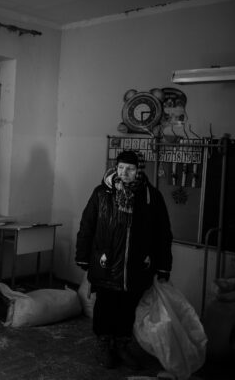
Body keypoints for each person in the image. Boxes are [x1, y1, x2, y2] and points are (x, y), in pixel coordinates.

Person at [75, 150, 173, 370]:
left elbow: (162, 233)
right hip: (106, 263)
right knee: (105, 306)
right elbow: (87, 225)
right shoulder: (102, 193)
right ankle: (103, 345)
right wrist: (82, 256)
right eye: (120, 168)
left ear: (139, 170)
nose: (124, 172)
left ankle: (121, 345)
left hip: (137, 266)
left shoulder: (151, 197)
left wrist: (164, 265)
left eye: (129, 168)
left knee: (127, 307)